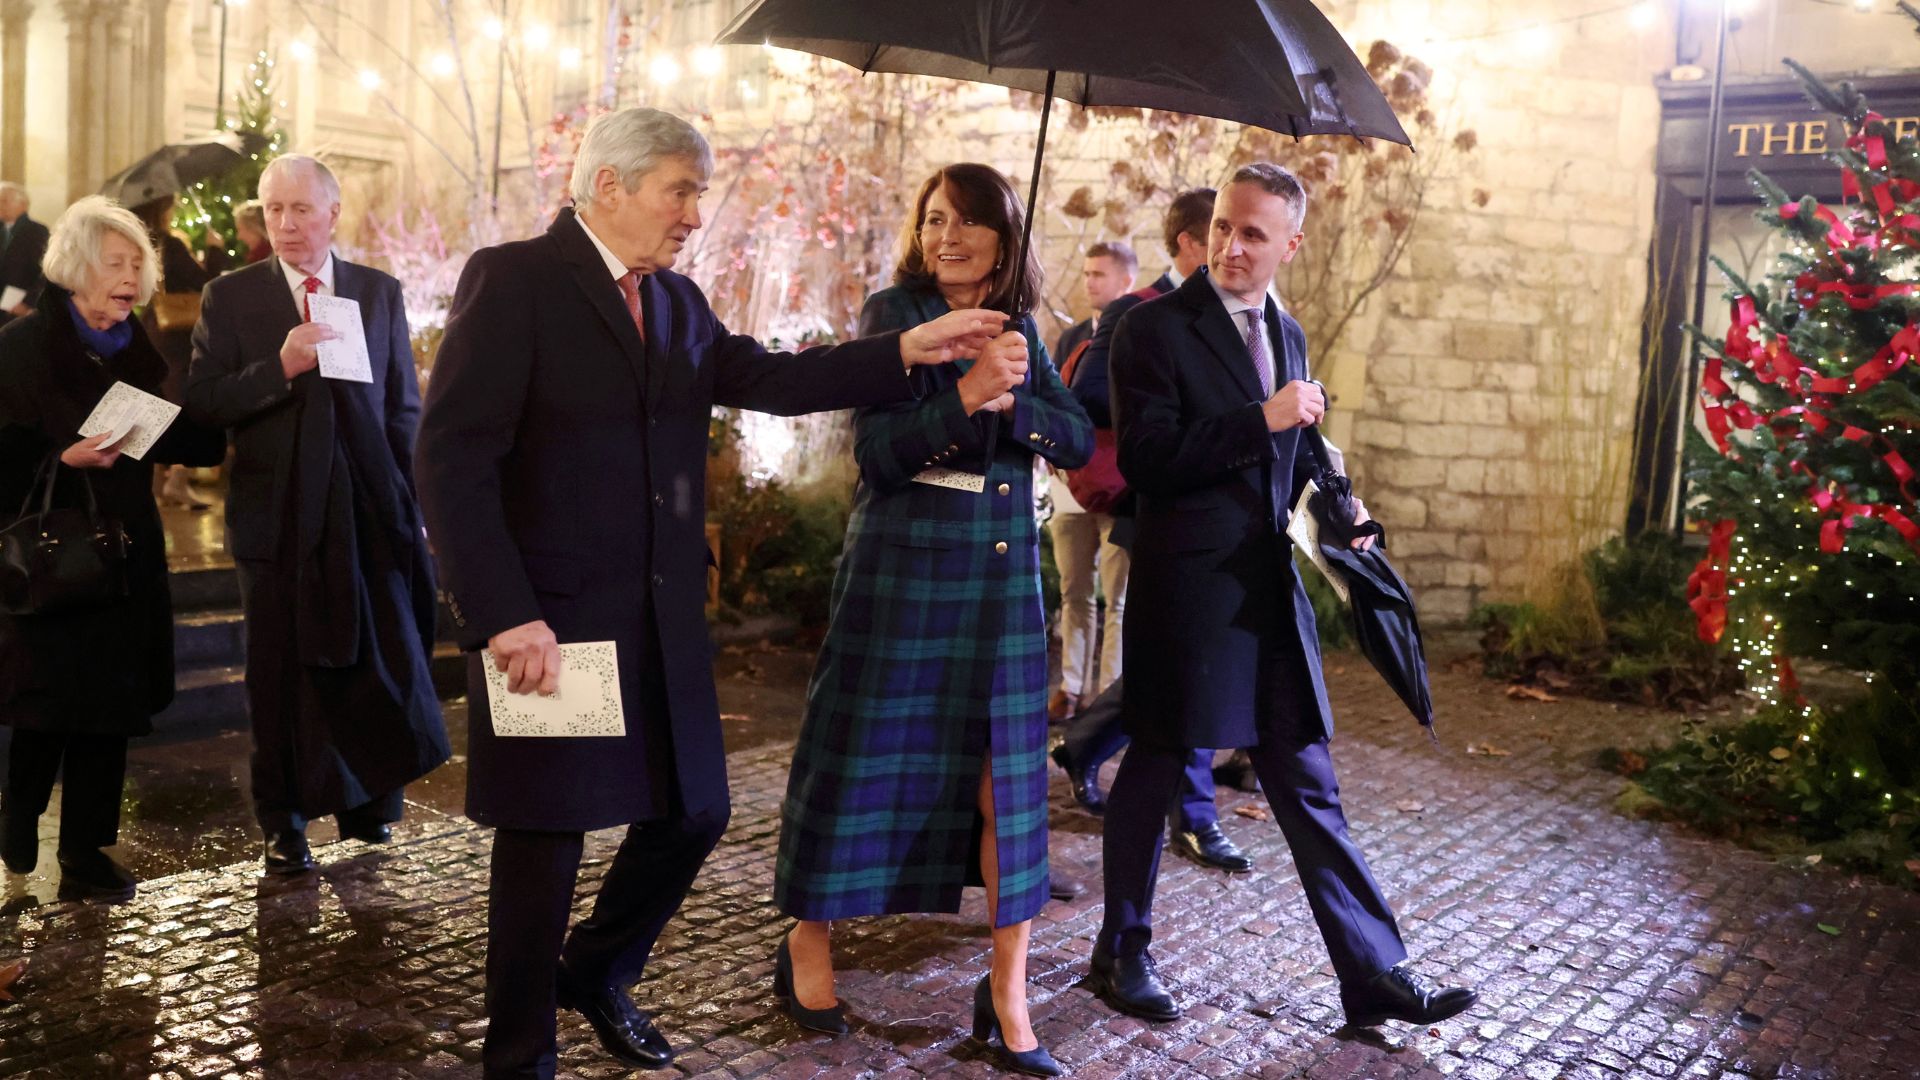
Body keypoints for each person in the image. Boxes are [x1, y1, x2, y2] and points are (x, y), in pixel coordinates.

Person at [411, 108, 1006, 1080]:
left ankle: (596, 972)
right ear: (610, 185)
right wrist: (506, 612)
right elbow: (452, 459)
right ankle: (519, 1054)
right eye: (679, 190)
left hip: (660, 619)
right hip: (552, 622)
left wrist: (910, 350)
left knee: (695, 813)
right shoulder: (515, 281)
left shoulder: (678, 303)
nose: (695, 212)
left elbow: (774, 378)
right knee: (547, 843)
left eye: (697, 191)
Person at [1088, 163, 1478, 1031]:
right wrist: (1259, 420)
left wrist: (1345, 507)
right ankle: (1121, 951)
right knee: (1153, 771)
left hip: (1268, 595)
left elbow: (1294, 453)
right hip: (1183, 594)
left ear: (1289, 244)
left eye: (1253, 233)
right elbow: (1147, 461)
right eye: (1224, 227)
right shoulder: (1150, 330)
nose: (1231, 245)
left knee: (1308, 780)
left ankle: (1372, 970)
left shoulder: (1288, 333)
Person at [774, 162, 1091, 1078]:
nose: (945, 236)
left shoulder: (1025, 327)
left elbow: (1074, 439)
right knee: (859, 761)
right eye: (932, 219)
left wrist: (1016, 394)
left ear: (1005, 235)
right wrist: (960, 396)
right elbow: (875, 456)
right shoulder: (894, 315)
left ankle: (1007, 993)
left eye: (965, 221)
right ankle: (807, 944)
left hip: (999, 587)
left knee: (1010, 787)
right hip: (901, 575)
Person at [185, 155, 449, 877]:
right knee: (276, 677)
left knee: (376, 656)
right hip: (276, 519)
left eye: (301, 209)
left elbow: (403, 406)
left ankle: (369, 805)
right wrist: (280, 367)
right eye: (274, 210)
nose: (287, 224)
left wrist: (419, 503)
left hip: (368, 510)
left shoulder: (376, 291)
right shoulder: (231, 297)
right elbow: (204, 403)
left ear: (334, 214)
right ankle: (283, 819)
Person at [0, 196, 225, 900]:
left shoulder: (142, 349)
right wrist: (59, 461)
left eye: (138, 264)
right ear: (75, 269)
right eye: (115, 263)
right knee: (48, 708)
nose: (130, 277)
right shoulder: (21, 347)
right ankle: (17, 815)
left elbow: (181, 436)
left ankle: (85, 854)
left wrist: (216, 415)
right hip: (52, 555)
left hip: (122, 557)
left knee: (108, 714)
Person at [1049, 190, 1251, 874]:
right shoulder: (1138, 313)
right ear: (1191, 244)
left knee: (1174, 672)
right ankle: (1190, 815)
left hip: (1226, 528)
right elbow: (1092, 401)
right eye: (1220, 233)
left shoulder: (1250, 319)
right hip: (1156, 511)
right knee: (1182, 673)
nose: (1232, 251)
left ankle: (1085, 742)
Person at [1046, 240, 1136, 723]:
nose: (1089, 282)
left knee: (1118, 597)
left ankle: (1109, 698)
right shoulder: (1073, 336)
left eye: (1099, 274)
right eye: (1085, 274)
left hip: (1120, 486)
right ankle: (1072, 686)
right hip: (1070, 485)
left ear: (1126, 283)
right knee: (1073, 589)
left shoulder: (1139, 333)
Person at [131, 195, 217, 509]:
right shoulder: (170, 244)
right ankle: (178, 480)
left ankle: (155, 481)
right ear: (163, 209)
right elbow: (206, 283)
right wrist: (215, 250)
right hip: (176, 333)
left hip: (151, 325)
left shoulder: (137, 241)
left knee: (159, 399)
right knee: (186, 401)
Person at [0, 181, 49, 330]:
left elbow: (45, 272)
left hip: (19, 308)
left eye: (3, 201)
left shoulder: (37, 231)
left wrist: (28, 303)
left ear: (22, 204)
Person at [232, 200, 272, 265]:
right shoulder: (257, 257)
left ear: (255, 228)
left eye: (240, 229)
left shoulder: (264, 261)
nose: (239, 237)